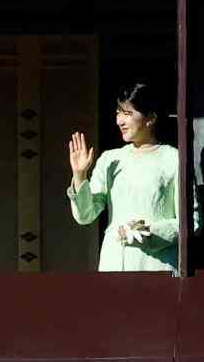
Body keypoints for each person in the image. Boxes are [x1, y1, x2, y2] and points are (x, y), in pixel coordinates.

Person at [66, 80, 185, 272]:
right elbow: (85, 215)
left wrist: (149, 232)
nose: (119, 121)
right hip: (114, 265)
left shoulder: (173, 159)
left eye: (127, 113)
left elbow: (190, 222)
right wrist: (80, 176)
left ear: (151, 117)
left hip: (157, 266)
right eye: (118, 113)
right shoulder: (111, 159)